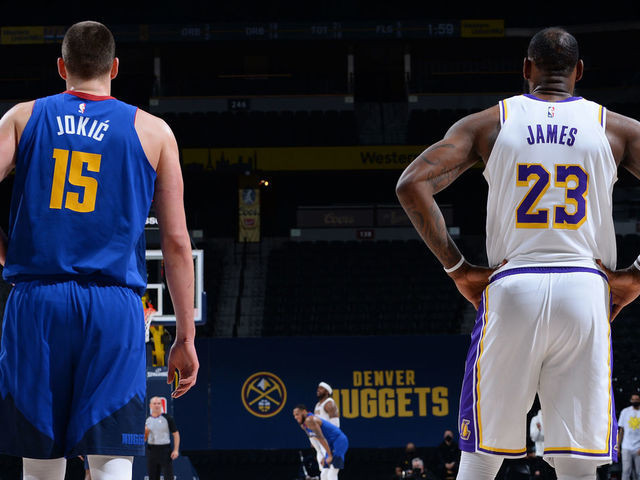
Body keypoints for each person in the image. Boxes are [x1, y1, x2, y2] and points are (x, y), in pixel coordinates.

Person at [397, 26, 640, 480]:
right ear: (579, 71)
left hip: (513, 285)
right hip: (586, 287)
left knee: (481, 455)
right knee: (577, 462)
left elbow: (411, 184)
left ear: (526, 69)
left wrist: (458, 268)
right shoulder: (616, 128)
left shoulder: (489, 123)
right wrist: (638, 275)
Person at [0, 21, 199, 480]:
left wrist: (8, 255)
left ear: (61, 67)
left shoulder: (24, 118)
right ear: (114, 67)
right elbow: (176, 242)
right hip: (113, 306)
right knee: (112, 465)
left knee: (41, 468)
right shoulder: (153, 131)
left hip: (37, 301)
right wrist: (185, 338)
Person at [293, 404, 349, 480]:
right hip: (330, 444)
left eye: (297, 414)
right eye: (294, 415)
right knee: (324, 474)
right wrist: (323, 455)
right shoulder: (303, 425)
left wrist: (329, 455)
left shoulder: (310, 420)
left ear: (304, 412)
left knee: (332, 472)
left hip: (338, 441)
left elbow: (321, 438)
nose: (295, 417)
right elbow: (314, 440)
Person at [310, 382, 340, 480]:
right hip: (320, 441)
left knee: (330, 472)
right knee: (323, 473)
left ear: (327, 392)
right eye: (318, 388)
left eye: (321, 388)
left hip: (328, 440)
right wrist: (313, 440)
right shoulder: (317, 405)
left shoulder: (329, 404)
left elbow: (335, 424)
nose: (318, 390)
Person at [145, 396, 180, 480]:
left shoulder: (167, 418)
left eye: (158, 403)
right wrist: (145, 433)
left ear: (161, 405)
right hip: (152, 450)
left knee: (168, 476)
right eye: (154, 403)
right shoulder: (147, 420)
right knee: (153, 476)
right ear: (150, 405)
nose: (156, 405)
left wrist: (175, 450)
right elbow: (144, 438)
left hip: (165, 450)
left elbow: (176, 434)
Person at [618, 393, 640, 480]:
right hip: (626, 447)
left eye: (637, 399)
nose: (635, 401)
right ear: (630, 400)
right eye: (633, 399)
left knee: (638, 472)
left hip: (638, 447)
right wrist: (618, 446)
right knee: (626, 471)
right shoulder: (625, 412)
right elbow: (621, 430)